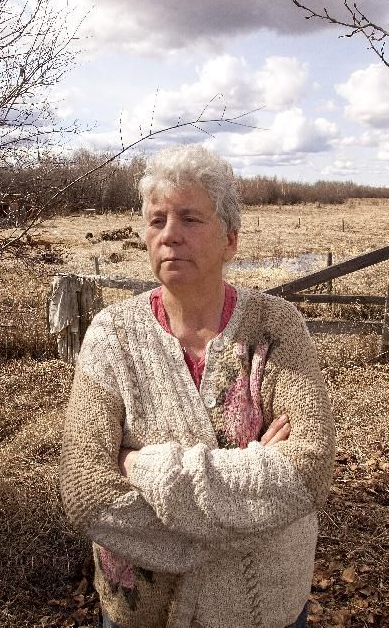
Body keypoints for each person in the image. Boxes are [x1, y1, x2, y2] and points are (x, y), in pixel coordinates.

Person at [60, 144, 336, 628]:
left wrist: (138, 464)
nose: (169, 236)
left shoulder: (276, 327)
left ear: (230, 241)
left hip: (259, 608)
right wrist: (252, 478)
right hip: (141, 615)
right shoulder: (111, 335)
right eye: (157, 219)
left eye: (189, 219)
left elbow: (309, 470)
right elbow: (85, 491)